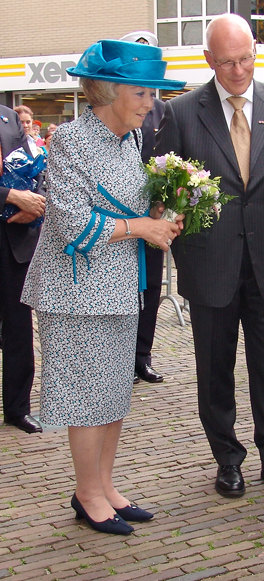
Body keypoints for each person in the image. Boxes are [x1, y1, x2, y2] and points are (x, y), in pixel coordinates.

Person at [21, 39, 185, 535]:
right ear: (111, 90)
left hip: (118, 283)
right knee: (85, 396)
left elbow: (124, 204)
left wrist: (156, 215)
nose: (150, 102)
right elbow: (70, 220)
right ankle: (86, 492)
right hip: (73, 291)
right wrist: (143, 229)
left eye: (152, 92)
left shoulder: (130, 140)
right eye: (141, 92)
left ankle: (105, 485)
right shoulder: (71, 139)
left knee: (112, 391)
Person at [155, 13, 264, 499]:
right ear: (208, 60)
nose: (238, 70)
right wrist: (187, 246)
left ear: (256, 50)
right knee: (214, 369)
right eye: (226, 62)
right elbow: (164, 192)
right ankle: (227, 459)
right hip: (210, 266)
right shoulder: (181, 114)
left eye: (245, 58)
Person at [119, 29, 168, 385]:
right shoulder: (117, 108)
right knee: (121, 285)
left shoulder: (166, 110)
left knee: (150, 288)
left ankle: (142, 356)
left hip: (152, 214)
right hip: (118, 217)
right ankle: (119, 358)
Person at [0, 105, 45, 434]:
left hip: (13, 240)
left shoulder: (9, 117)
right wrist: (10, 194)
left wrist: (35, 203)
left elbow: (36, 169)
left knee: (18, 329)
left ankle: (18, 408)